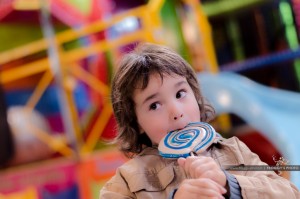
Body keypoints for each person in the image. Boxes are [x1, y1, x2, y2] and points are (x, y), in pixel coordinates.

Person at [100, 43, 299, 199]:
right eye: (154, 105)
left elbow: (289, 193)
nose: (176, 112)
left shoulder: (234, 151)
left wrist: (230, 184)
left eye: (180, 93)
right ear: (135, 122)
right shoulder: (125, 182)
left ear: (195, 95)